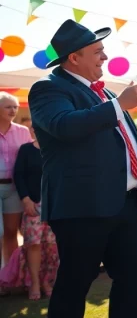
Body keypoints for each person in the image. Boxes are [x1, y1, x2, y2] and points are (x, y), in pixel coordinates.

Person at [28, 19, 137, 318]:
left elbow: (129, 144)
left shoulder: (108, 95)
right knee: (75, 284)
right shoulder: (48, 88)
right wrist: (119, 106)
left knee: (134, 277)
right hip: (81, 207)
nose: (106, 57)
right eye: (98, 51)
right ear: (74, 57)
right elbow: (64, 126)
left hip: (125, 205)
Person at [0, 125, 59, 300]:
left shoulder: (57, 149)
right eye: (35, 128)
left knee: (52, 246)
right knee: (33, 244)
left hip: (55, 207)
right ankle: (33, 282)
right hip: (33, 206)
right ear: (32, 131)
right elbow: (19, 175)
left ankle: (47, 282)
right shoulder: (25, 150)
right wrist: (26, 200)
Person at [0, 92, 32, 267]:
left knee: (11, 232)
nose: (13, 110)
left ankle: (8, 276)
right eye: (8, 107)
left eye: (15, 107)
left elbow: (29, 159)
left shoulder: (22, 131)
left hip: (14, 188)